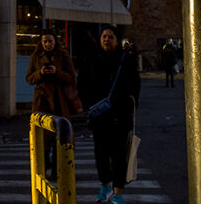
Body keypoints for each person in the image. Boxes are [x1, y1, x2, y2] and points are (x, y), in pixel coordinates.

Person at [79, 25, 140, 204]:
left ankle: (118, 192)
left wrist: (130, 104)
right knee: (101, 153)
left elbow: (135, 85)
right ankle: (105, 185)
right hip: (99, 115)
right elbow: (82, 84)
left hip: (120, 115)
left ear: (117, 40)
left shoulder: (125, 59)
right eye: (104, 36)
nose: (106, 39)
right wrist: (88, 107)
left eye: (110, 37)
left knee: (120, 154)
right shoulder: (91, 59)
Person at [25, 29, 76, 178]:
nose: (48, 44)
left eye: (50, 41)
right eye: (45, 41)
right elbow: (29, 78)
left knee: (59, 136)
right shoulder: (36, 56)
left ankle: (57, 169)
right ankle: (44, 166)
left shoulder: (63, 55)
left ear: (55, 42)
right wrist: (40, 73)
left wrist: (57, 72)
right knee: (43, 137)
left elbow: (71, 77)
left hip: (60, 101)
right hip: (42, 101)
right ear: (41, 43)